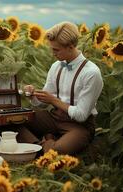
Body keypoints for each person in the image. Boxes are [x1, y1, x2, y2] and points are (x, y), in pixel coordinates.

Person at [17, 21, 103, 155]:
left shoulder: (91, 73)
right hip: (54, 118)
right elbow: (41, 104)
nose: (53, 54)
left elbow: (81, 115)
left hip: (79, 126)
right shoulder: (56, 66)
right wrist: (33, 95)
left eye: (56, 50)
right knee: (12, 122)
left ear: (71, 46)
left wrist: (54, 101)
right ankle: (42, 146)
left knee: (59, 151)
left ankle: (44, 144)